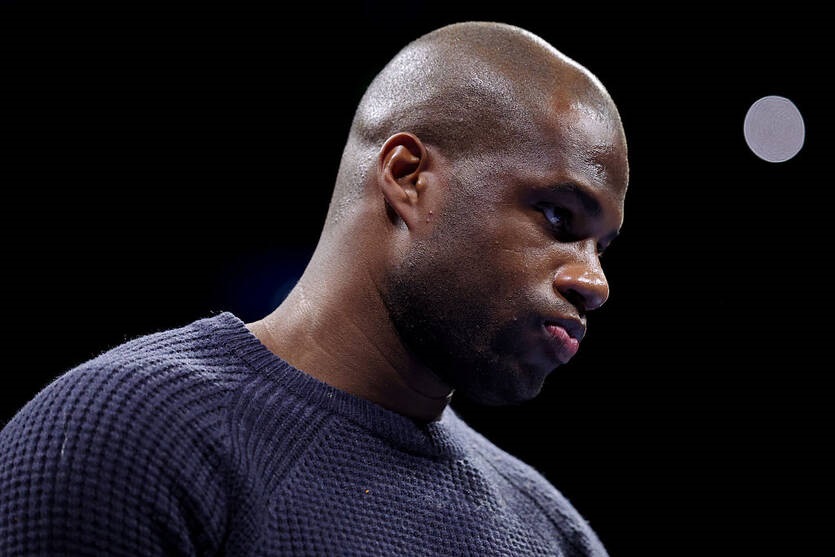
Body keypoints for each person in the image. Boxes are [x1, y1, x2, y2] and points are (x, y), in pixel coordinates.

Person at [0, 20, 628, 556]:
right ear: (408, 177)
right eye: (559, 217)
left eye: (600, 248)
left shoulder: (556, 536)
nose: (593, 283)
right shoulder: (123, 436)